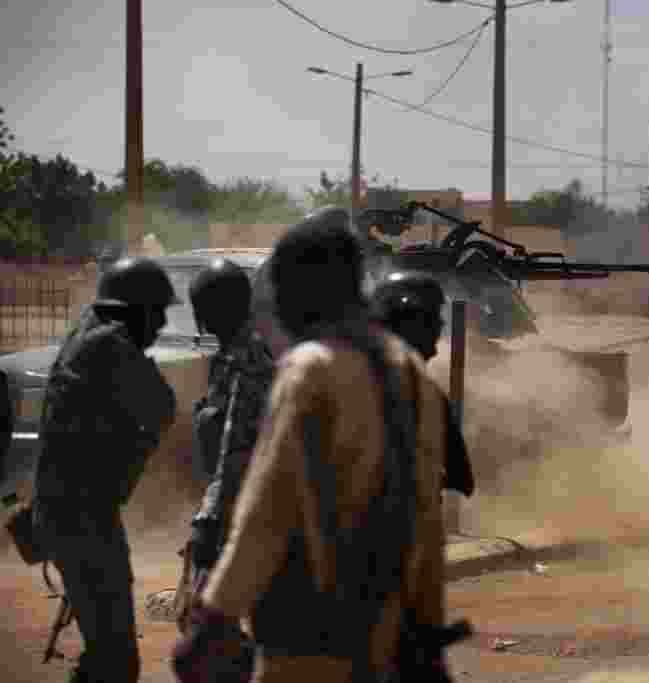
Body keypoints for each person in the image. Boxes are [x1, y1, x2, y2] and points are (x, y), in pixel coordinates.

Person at [172, 212, 463, 683]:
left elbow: (268, 509)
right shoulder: (408, 372)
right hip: (385, 633)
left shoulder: (310, 370)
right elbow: (425, 519)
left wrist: (215, 615)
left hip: (305, 633)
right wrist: (427, 634)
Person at [32, 257, 179, 683]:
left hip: (70, 513)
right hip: (81, 520)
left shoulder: (88, 331)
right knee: (115, 660)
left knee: (105, 654)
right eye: (157, 312)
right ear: (132, 309)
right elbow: (161, 405)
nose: (160, 325)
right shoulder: (110, 345)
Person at [174, 260, 275, 664]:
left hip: (246, 511)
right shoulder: (241, 351)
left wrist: (207, 521)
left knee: (204, 624)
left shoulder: (245, 358)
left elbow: (234, 445)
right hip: (246, 508)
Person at [370, 273, 473, 499]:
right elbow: (462, 479)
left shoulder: (345, 378)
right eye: (431, 321)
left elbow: (462, 479)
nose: (438, 328)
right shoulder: (426, 394)